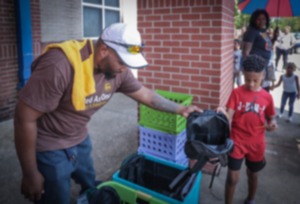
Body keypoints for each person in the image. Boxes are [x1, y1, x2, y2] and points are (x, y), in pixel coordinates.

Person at [13, 23, 201, 204]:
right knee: (56, 198)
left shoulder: (119, 71)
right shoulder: (60, 65)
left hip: (80, 138)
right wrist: (30, 173)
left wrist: (180, 109)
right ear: (103, 50)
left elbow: (147, 96)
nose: (124, 69)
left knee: (89, 183)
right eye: (121, 62)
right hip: (50, 145)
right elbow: (24, 118)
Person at [218, 55, 277, 204]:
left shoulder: (267, 97)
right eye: (248, 79)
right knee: (232, 177)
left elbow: (271, 117)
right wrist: (222, 113)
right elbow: (229, 116)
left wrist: (272, 124)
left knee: (253, 174)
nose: (251, 84)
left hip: (256, 144)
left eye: (255, 80)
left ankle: (250, 199)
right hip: (237, 141)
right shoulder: (237, 93)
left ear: (263, 75)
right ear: (243, 74)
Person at [242, 9, 274, 93]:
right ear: (254, 20)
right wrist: (252, 70)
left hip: (267, 65)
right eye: (258, 19)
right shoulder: (252, 32)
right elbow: (246, 53)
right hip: (258, 68)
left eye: (264, 19)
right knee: (258, 92)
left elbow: (269, 47)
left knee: (265, 91)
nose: (262, 21)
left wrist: (274, 37)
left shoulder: (263, 31)